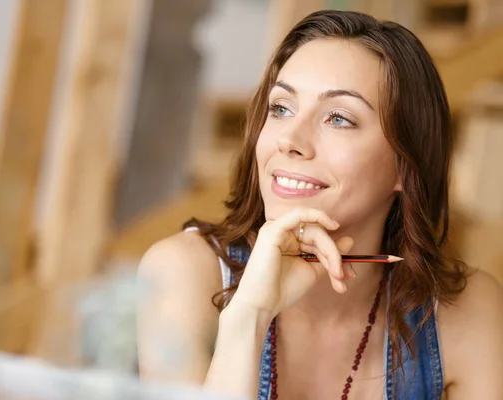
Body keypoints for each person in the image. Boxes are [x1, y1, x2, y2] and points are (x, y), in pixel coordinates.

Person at [136, 9, 503, 400]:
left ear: (405, 165)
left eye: (339, 118)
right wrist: (249, 317)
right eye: (281, 108)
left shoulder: (467, 313)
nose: (289, 138)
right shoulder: (181, 272)